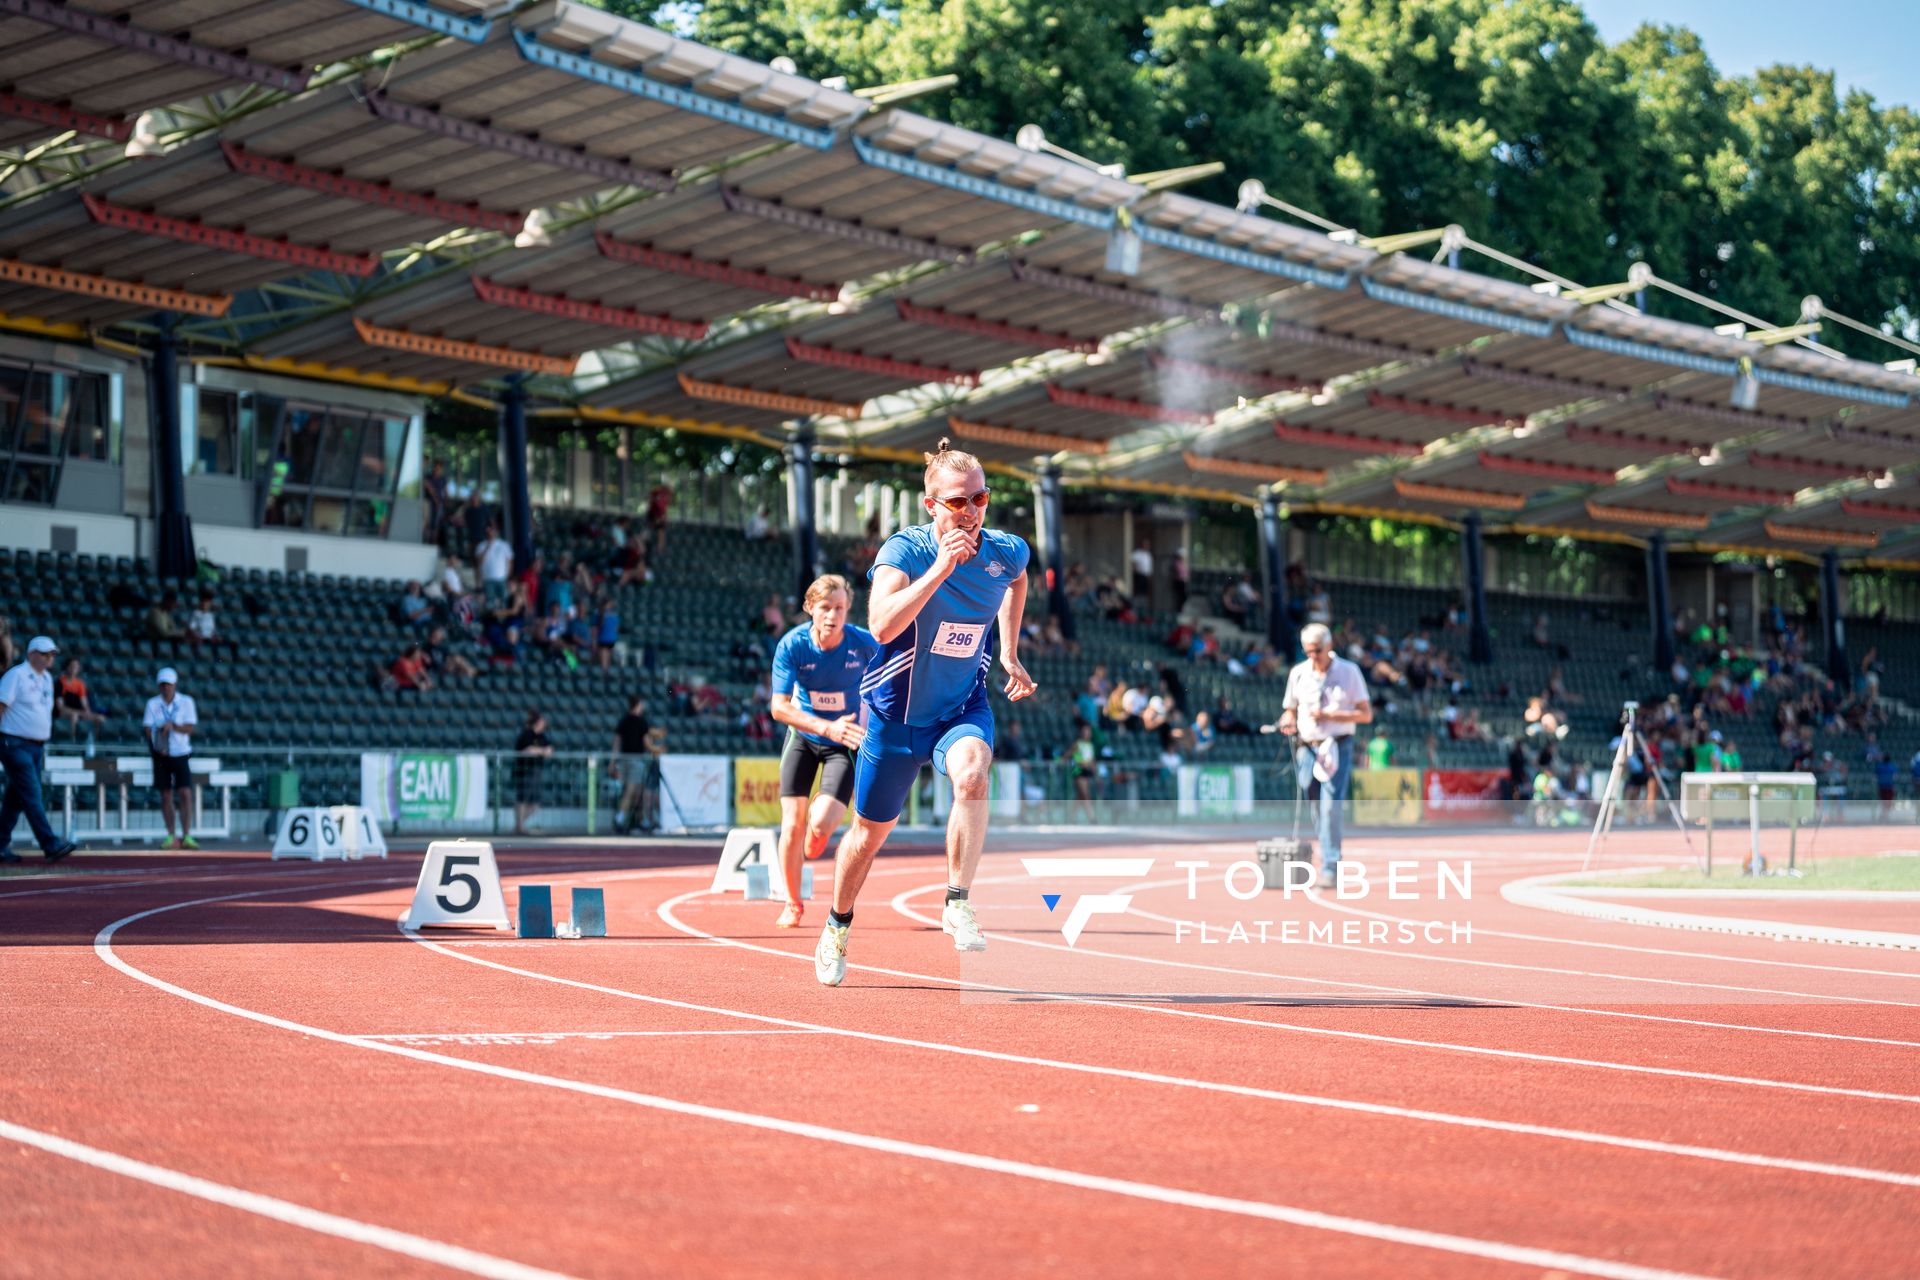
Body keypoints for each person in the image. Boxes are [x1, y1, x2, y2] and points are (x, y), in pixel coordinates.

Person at [814, 441, 1036, 986]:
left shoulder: (1004, 550)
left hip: (960, 709)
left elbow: (1019, 578)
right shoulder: (904, 552)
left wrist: (1008, 649)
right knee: (867, 835)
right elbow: (883, 625)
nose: (972, 511)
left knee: (974, 770)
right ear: (931, 506)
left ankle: (957, 899)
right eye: (958, 502)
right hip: (893, 720)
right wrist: (941, 566)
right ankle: (837, 925)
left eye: (980, 498)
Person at [768, 574, 881, 928]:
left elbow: (891, 676)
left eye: (840, 608)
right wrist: (824, 726)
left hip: (843, 743)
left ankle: (819, 826)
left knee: (818, 830)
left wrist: (869, 720)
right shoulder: (793, 645)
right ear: (809, 609)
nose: (833, 615)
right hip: (803, 737)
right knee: (791, 825)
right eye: (825, 608)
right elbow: (779, 707)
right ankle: (792, 902)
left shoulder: (863, 643)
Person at [1273, 623, 1371, 887]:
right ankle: (1328, 858)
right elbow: (1289, 709)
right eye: (1307, 651)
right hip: (1306, 746)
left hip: (1337, 744)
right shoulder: (1298, 673)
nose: (1312, 656)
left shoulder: (1349, 672)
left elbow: (1366, 714)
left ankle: (1330, 866)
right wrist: (1287, 720)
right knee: (1316, 808)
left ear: (1329, 646)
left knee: (1330, 807)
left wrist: (1331, 715)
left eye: (1316, 650)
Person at [0, 636, 78, 862]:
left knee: (16, 799)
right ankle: (50, 843)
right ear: (31, 653)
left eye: (52, 654)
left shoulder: (46, 679)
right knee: (33, 793)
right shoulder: (16, 675)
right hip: (14, 743)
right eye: (45, 654)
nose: (49, 658)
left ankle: (0, 843)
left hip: (35, 746)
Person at [142, 667, 199, 850]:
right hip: (161, 755)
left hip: (181, 752)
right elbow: (147, 728)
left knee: (185, 793)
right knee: (165, 794)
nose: (166, 688)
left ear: (175, 685)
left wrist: (173, 726)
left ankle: (187, 834)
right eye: (163, 684)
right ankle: (171, 834)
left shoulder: (186, 702)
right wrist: (157, 746)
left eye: (169, 684)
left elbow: (190, 728)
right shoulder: (152, 704)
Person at [611, 695, 665, 832]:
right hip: (635, 760)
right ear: (637, 705)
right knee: (631, 790)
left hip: (624, 759)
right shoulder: (641, 722)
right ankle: (620, 819)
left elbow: (616, 742)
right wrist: (657, 750)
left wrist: (613, 761)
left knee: (636, 792)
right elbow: (646, 743)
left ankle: (638, 820)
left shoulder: (623, 720)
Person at [513, 709, 553, 835]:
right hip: (524, 771)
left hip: (536, 771)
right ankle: (519, 827)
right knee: (522, 800)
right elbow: (527, 751)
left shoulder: (542, 737)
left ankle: (519, 825)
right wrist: (541, 751)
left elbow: (550, 750)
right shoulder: (526, 735)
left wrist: (539, 751)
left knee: (535, 804)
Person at [55, 656, 106, 747]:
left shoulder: (80, 684)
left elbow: (84, 702)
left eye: (76, 666)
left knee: (100, 718)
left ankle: (95, 743)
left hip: (79, 712)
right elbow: (60, 707)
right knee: (74, 716)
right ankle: (73, 741)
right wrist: (77, 712)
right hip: (64, 711)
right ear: (67, 667)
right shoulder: (60, 682)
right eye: (72, 666)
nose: (74, 669)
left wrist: (87, 712)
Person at [476, 523, 513, 608]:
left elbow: (510, 561)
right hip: (488, 579)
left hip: (502, 578)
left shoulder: (504, 545)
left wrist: (508, 576)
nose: (490, 533)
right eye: (488, 531)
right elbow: (479, 561)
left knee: (504, 601)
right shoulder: (481, 546)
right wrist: (487, 547)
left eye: (492, 530)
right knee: (490, 603)